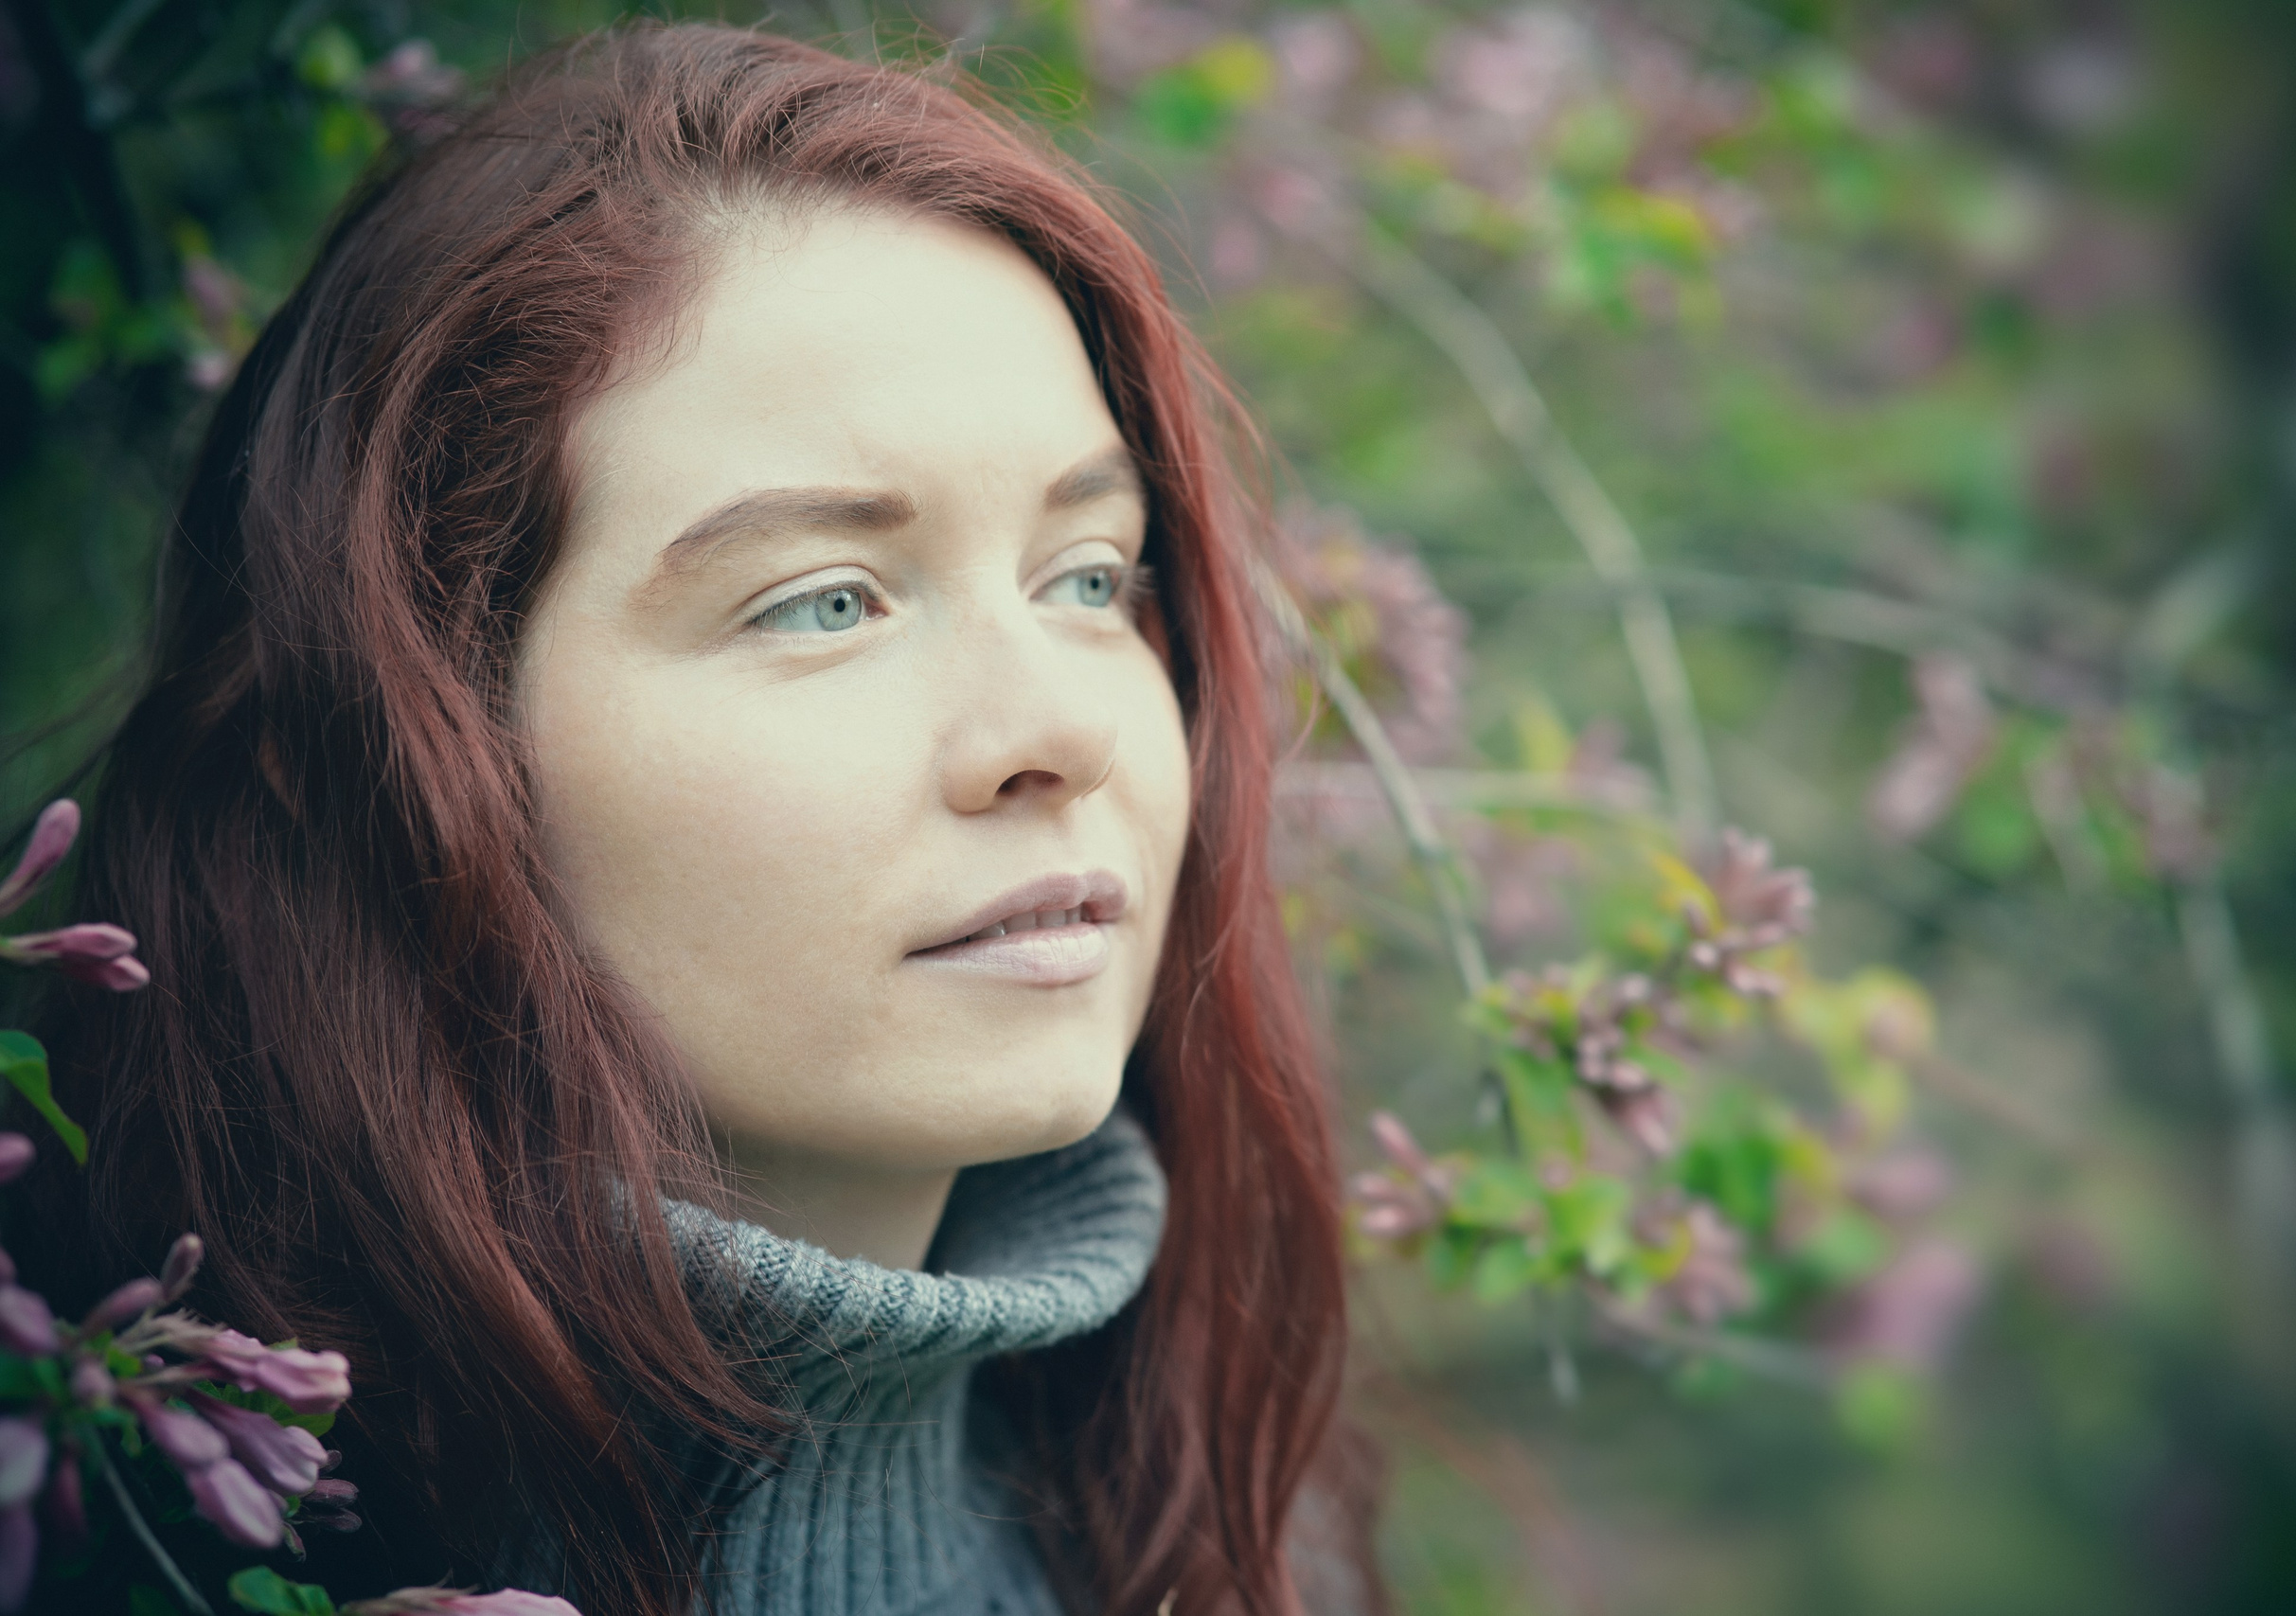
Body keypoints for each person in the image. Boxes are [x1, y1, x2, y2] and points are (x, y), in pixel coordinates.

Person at [19, 23, 1379, 1616]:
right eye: (822, 604)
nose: (1061, 733)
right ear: (375, 765)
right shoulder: (129, 1542)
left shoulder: (1233, 1540)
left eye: (1090, 577)